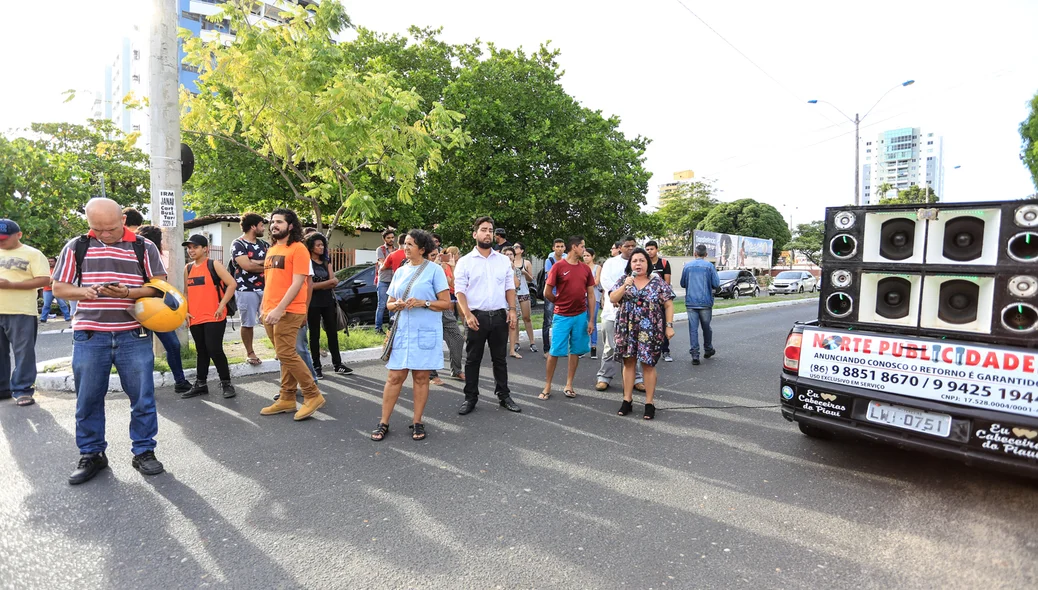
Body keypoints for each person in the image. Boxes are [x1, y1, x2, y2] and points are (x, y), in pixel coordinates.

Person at [51, 198, 167, 484]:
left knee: (142, 397)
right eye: (97, 229)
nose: (104, 235)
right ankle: (92, 454)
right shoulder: (76, 246)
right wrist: (84, 293)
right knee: (88, 399)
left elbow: (159, 288)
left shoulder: (144, 246)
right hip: (89, 335)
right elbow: (59, 287)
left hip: (133, 333)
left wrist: (128, 293)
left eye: (111, 229)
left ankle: (144, 451)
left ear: (123, 221)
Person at [371, 230, 451, 442]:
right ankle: (384, 422)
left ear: (422, 249)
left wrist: (423, 302)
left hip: (425, 331)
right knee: (395, 376)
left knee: (421, 377)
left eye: (410, 244)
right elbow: (388, 304)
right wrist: (395, 304)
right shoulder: (399, 271)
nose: (405, 248)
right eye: (404, 244)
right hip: (403, 331)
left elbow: (446, 303)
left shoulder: (434, 271)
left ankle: (417, 421)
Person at [257, 208, 326, 420]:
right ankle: (287, 397)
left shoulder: (298, 249)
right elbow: (270, 282)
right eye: (272, 221)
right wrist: (264, 307)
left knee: (287, 353)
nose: (274, 225)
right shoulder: (271, 249)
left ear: (291, 226)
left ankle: (312, 394)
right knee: (283, 355)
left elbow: (299, 282)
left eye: (279, 221)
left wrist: (279, 308)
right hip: (270, 310)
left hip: (288, 310)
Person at [455, 216, 522, 415]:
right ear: (475, 234)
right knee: (473, 360)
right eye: (483, 229)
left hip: (499, 316)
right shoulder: (465, 262)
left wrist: (512, 310)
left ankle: (504, 395)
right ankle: (470, 398)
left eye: (490, 230)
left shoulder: (502, 261)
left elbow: (509, 287)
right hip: (476, 317)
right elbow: (460, 291)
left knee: (499, 359)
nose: (487, 233)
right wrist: (467, 315)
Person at [610, 248, 676, 420]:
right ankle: (627, 400)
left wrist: (669, 326)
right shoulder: (624, 280)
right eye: (634, 261)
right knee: (629, 362)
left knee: (648, 364)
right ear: (630, 264)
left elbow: (668, 304)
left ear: (648, 263)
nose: (638, 264)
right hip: (628, 328)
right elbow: (612, 298)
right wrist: (625, 285)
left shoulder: (657, 282)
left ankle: (649, 402)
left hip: (650, 329)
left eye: (641, 260)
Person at [0, 218, 51, 408]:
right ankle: (2, 389)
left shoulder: (33, 254)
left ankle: (22, 389)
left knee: (23, 352)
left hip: (21, 310)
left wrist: (12, 285)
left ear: (19, 235)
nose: (1, 241)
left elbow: (44, 279)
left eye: (4, 238)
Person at [136, 225, 192, 394]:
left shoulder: (159, 257)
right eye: (160, 240)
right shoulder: (137, 255)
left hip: (157, 309)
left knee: (172, 345)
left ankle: (180, 381)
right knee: (147, 350)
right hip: (142, 309)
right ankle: (146, 387)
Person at [179, 234, 236, 399]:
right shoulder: (188, 268)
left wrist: (221, 305)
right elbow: (186, 293)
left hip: (214, 315)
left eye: (195, 247)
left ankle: (226, 383)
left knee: (214, 349)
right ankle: (201, 384)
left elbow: (232, 284)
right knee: (201, 351)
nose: (191, 250)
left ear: (205, 249)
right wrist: (185, 310)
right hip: (195, 316)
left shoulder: (213, 264)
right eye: (189, 247)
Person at [539, 236, 595, 399]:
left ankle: (569, 384)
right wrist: (559, 302)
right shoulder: (558, 267)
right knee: (555, 351)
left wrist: (591, 320)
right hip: (562, 315)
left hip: (580, 316)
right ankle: (547, 386)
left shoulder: (585, 269)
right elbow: (547, 292)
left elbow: (590, 295)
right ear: (575, 247)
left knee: (576, 351)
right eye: (582, 247)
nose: (584, 250)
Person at [595, 236, 643, 392]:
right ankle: (604, 377)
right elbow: (605, 281)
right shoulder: (611, 262)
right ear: (620, 247)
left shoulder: (638, 263)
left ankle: (635, 378)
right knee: (609, 346)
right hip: (611, 311)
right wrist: (616, 294)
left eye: (633, 246)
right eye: (627, 246)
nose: (630, 248)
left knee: (632, 346)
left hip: (632, 313)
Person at [306, 232, 352, 377]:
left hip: (328, 301)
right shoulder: (307, 261)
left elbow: (333, 282)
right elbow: (310, 286)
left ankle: (337, 364)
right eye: (318, 245)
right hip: (312, 302)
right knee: (314, 335)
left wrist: (321, 284)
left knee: (332, 333)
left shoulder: (326, 261)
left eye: (323, 245)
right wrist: (326, 284)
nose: (321, 248)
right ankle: (316, 367)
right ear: (311, 246)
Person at [230, 213, 268, 366]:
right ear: (253, 227)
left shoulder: (265, 245)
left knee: (271, 321)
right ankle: (250, 352)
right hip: (245, 289)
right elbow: (247, 266)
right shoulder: (238, 244)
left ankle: (279, 350)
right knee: (247, 323)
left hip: (266, 288)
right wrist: (263, 264)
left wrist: (255, 261)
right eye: (261, 225)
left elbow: (276, 263)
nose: (264, 228)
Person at [428, 246, 465, 385]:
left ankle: (456, 370)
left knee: (457, 338)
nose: (437, 257)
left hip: (444, 307)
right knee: (432, 341)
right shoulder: (422, 268)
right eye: (433, 255)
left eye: (437, 255)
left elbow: (454, 285)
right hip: (428, 307)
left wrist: (452, 267)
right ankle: (431, 375)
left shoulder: (443, 267)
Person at [680, 244, 721, 365]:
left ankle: (695, 355)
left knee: (693, 329)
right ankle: (708, 349)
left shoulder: (687, 266)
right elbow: (716, 283)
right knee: (706, 327)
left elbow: (682, 284)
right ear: (706, 254)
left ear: (695, 253)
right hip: (705, 302)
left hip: (691, 302)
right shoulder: (709, 266)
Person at [645, 240, 674, 363]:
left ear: (657, 249)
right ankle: (649, 349)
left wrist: (660, 296)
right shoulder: (644, 263)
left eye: (651, 249)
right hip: (647, 300)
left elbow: (666, 282)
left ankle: (665, 350)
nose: (649, 252)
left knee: (663, 325)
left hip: (660, 300)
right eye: (647, 249)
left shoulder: (664, 263)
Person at [511, 242, 537, 354]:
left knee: (527, 317)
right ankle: (516, 342)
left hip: (524, 292)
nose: (514, 248)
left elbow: (531, 279)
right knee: (514, 319)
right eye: (513, 247)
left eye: (516, 247)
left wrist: (524, 272)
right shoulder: (508, 262)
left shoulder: (526, 262)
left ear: (521, 250)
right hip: (513, 293)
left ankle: (532, 342)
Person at [541, 238, 566, 357]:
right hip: (552, 293)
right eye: (557, 246)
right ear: (553, 248)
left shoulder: (567, 260)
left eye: (562, 246)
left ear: (565, 248)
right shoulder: (549, 260)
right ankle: (546, 349)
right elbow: (550, 276)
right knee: (548, 321)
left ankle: (560, 348)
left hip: (565, 294)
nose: (560, 248)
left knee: (563, 322)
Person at [374, 228, 397, 334]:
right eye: (388, 238)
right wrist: (391, 264)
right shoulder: (381, 249)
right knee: (382, 305)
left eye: (392, 237)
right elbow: (383, 264)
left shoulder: (397, 250)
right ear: (384, 239)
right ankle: (378, 328)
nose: (391, 239)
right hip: (383, 280)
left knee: (392, 304)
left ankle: (392, 327)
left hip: (395, 280)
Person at [39, 256, 72, 322]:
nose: (50, 263)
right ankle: (43, 318)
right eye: (49, 261)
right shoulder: (45, 270)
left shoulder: (59, 270)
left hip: (58, 289)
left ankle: (67, 317)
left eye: (52, 261)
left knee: (62, 304)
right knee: (46, 305)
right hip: (47, 289)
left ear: (56, 262)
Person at [583, 247, 602, 359]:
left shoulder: (597, 267)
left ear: (593, 256)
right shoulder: (581, 267)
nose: (586, 258)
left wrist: (585, 284)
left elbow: (597, 281)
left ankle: (593, 346)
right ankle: (583, 347)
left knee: (592, 321)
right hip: (582, 297)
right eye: (584, 255)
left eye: (588, 255)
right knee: (582, 322)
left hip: (594, 297)